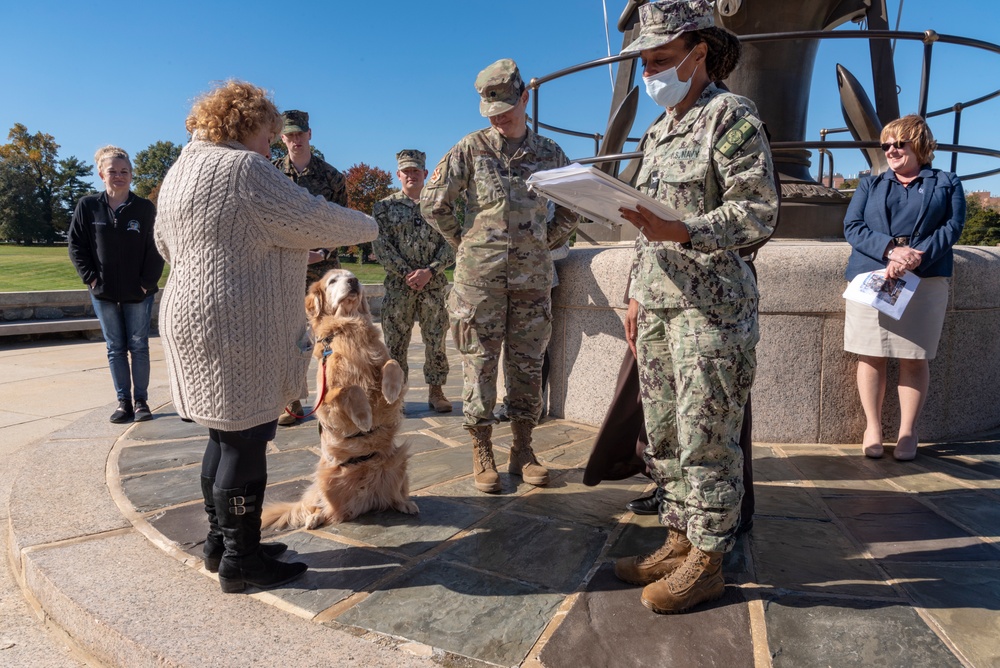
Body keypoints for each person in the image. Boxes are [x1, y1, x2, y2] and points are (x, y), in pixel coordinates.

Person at [154, 80, 378, 594]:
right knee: (247, 438)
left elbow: (166, 242)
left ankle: (224, 542)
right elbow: (315, 217)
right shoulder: (243, 168)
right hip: (235, 324)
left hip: (190, 313)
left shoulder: (180, 168)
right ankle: (242, 561)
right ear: (250, 124)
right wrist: (370, 223)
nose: (272, 145)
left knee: (223, 435)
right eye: (270, 134)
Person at [611, 0, 778, 615]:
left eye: (660, 59)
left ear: (697, 52)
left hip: (711, 313)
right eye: (645, 63)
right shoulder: (657, 132)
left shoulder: (731, 118)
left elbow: (757, 212)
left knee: (706, 436)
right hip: (657, 308)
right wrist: (634, 293)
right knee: (664, 435)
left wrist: (682, 233)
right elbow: (639, 225)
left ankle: (708, 560)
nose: (651, 72)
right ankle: (679, 539)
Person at [421, 58, 579, 494]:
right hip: (479, 281)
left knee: (527, 366)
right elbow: (432, 204)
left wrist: (545, 240)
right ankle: (482, 449)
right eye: (491, 111)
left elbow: (573, 204)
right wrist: (465, 242)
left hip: (532, 281)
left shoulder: (550, 153)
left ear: (525, 97)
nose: (500, 118)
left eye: (507, 107)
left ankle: (524, 449)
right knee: (480, 365)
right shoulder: (470, 149)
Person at [843, 114, 965, 462]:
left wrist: (915, 258)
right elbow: (852, 226)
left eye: (899, 143)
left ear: (920, 144)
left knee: (915, 357)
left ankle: (908, 431)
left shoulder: (947, 182)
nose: (891, 150)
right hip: (873, 278)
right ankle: (873, 428)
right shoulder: (870, 184)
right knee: (871, 353)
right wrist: (891, 251)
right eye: (886, 144)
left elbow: (952, 227)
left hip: (923, 280)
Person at [68, 146, 164, 424]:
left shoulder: (144, 208)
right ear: (101, 173)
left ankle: (141, 401)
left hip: (138, 293)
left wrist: (147, 284)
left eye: (124, 171)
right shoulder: (88, 206)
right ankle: (124, 402)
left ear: (131, 175)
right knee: (115, 347)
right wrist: (91, 278)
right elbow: (76, 245)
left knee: (139, 345)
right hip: (104, 291)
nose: (119, 176)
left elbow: (155, 247)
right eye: (113, 171)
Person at [273, 109, 349, 425]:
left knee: (329, 337)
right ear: (281, 138)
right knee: (287, 336)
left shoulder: (332, 177)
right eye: (289, 135)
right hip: (285, 269)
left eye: (299, 134)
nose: (295, 140)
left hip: (323, 271)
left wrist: (322, 251)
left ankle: (331, 397)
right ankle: (291, 400)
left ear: (309, 135)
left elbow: (343, 223)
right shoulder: (271, 173)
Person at [372, 149, 455, 414]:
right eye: (406, 171)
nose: (411, 175)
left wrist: (429, 271)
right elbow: (381, 246)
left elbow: (452, 243)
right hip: (399, 287)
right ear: (398, 175)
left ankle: (436, 390)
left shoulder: (439, 205)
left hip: (433, 287)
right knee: (395, 344)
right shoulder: (384, 207)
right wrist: (407, 273)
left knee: (436, 340)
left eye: (415, 171)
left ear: (425, 174)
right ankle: (397, 396)